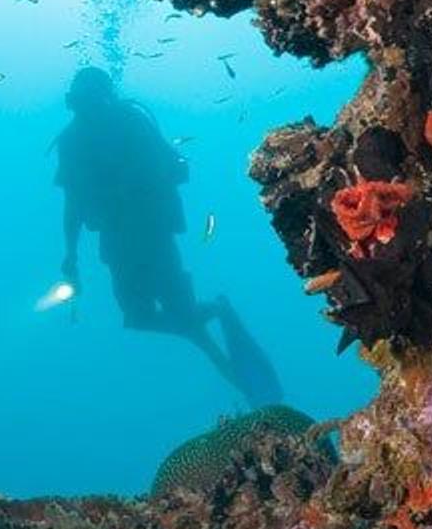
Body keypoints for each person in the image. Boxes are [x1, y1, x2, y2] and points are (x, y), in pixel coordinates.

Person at [54, 67, 282, 407]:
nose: (86, 110)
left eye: (91, 101)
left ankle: (221, 337)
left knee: (185, 318)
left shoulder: (131, 122)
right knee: (138, 318)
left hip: (153, 233)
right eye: (80, 103)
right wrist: (71, 255)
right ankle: (206, 325)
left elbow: (175, 168)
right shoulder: (71, 142)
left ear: (104, 97)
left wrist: (137, 186)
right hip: (115, 241)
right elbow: (72, 204)